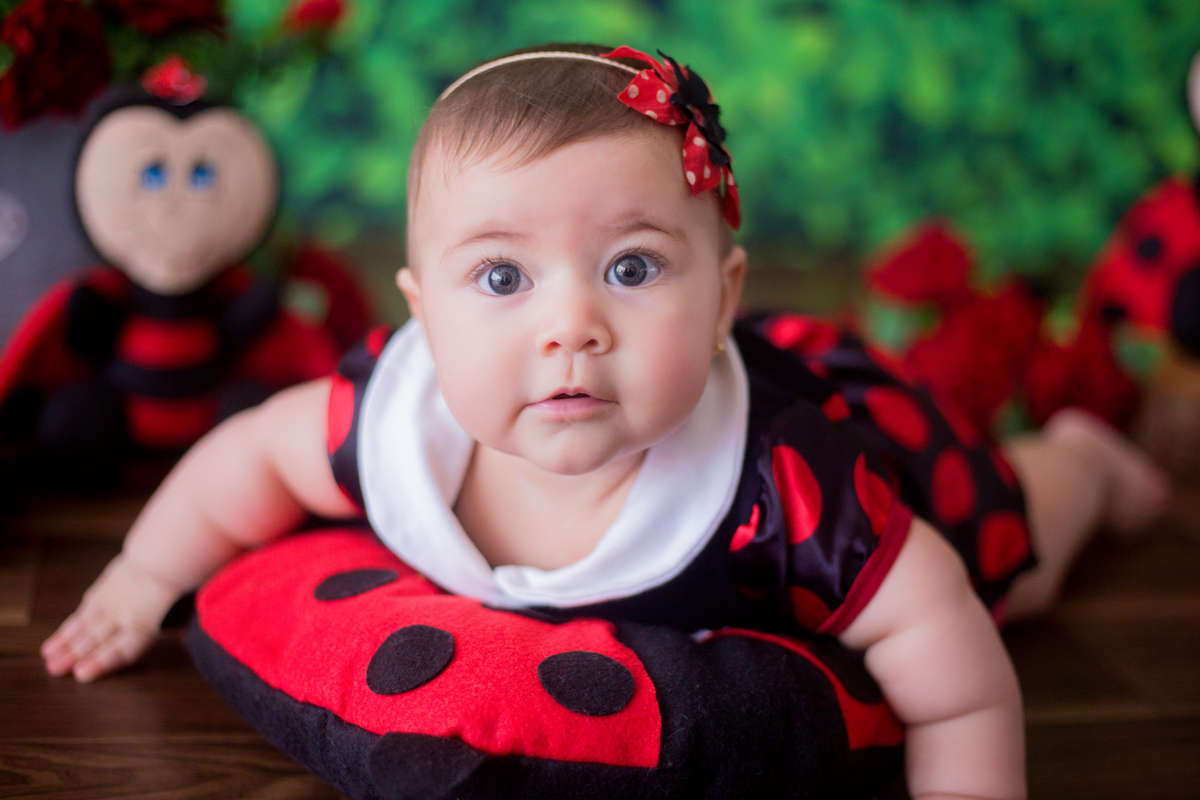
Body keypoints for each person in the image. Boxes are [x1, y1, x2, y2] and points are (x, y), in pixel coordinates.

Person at [42, 44, 1168, 800]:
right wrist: (143, 579)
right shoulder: (387, 420)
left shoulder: (786, 485)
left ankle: (1084, 458)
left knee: (1016, 557)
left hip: (886, 437)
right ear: (420, 314)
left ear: (724, 296)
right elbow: (242, 462)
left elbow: (956, 668)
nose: (570, 326)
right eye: (499, 278)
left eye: (632, 266)